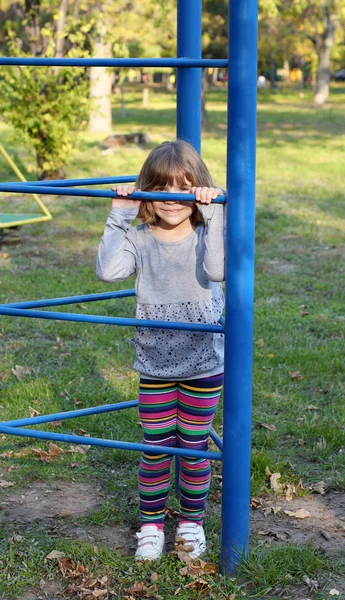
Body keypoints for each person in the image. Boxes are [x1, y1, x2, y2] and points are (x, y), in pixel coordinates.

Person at [96, 140, 225, 561]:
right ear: (148, 189)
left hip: (203, 363)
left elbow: (217, 270)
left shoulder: (207, 233)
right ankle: (151, 526)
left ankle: (190, 524)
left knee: (192, 447)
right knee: (154, 448)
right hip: (155, 364)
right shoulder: (140, 238)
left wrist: (214, 211)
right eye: (162, 188)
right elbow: (107, 270)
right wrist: (119, 216)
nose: (172, 199)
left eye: (184, 188)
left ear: (198, 190)